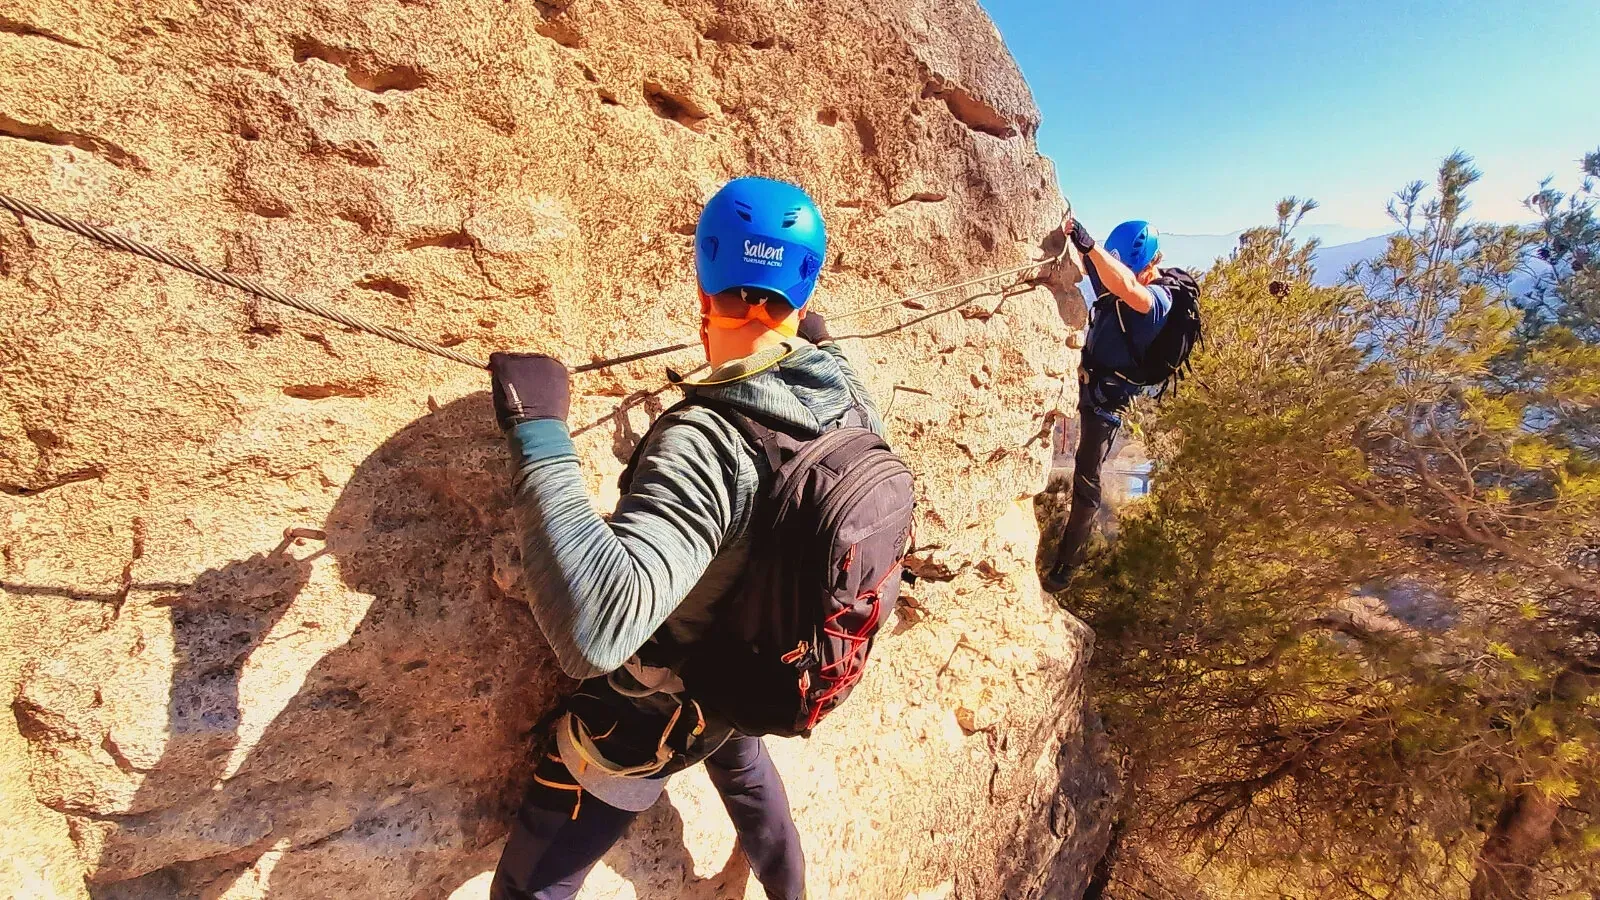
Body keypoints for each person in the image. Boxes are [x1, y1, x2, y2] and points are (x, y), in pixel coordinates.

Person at [484, 176, 884, 900]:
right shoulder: (849, 394)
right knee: (746, 770)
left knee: (527, 890)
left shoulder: (706, 441)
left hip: (654, 711)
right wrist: (798, 330)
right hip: (763, 664)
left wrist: (538, 433)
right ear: (803, 293)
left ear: (703, 285)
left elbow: (598, 626)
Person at [1041, 217, 1181, 594]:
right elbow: (1103, 271)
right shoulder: (1123, 278)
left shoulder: (1158, 301)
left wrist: (1091, 246)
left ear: (1147, 266)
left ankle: (1066, 567)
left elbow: (1128, 287)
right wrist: (1078, 236)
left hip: (1107, 402)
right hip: (1088, 381)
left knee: (1086, 482)